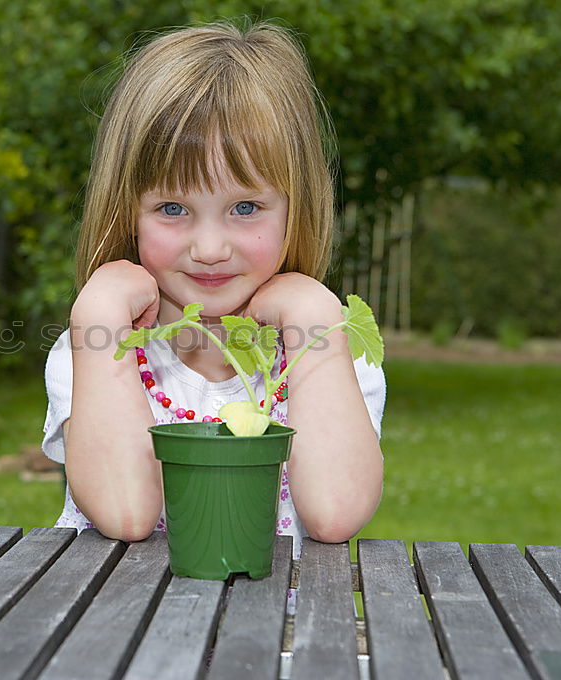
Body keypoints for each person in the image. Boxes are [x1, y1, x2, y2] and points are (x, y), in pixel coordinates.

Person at [42, 20, 385, 559]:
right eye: (173, 209)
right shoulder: (94, 350)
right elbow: (129, 514)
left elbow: (335, 514)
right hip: (121, 634)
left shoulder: (328, 358)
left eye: (244, 208)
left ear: (298, 205)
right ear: (127, 209)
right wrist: (99, 315)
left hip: (284, 635)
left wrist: (314, 321)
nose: (208, 248)